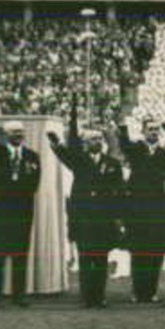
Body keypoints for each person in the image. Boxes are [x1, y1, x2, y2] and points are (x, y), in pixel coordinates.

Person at [47, 107, 125, 308]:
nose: (97, 143)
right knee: (84, 259)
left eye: (99, 139)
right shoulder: (80, 161)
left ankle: (99, 296)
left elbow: (119, 193)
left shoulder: (112, 164)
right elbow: (65, 154)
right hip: (83, 218)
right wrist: (56, 144)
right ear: (85, 143)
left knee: (100, 260)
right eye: (92, 140)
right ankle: (87, 297)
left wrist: (118, 219)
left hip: (104, 219)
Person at [117, 116, 165, 304]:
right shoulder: (136, 150)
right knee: (138, 253)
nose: (154, 132)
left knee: (156, 253)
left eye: (156, 129)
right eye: (150, 129)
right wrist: (122, 128)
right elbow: (124, 144)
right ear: (143, 131)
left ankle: (152, 291)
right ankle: (138, 291)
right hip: (137, 210)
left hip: (158, 210)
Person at [0, 119, 41, 307]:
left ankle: (18, 296)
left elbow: (34, 183)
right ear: (6, 135)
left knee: (20, 256)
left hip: (21, 212)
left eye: (21, 132)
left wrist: (17, 191)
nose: (18, 135)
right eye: (14, 132)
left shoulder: (32, 156)